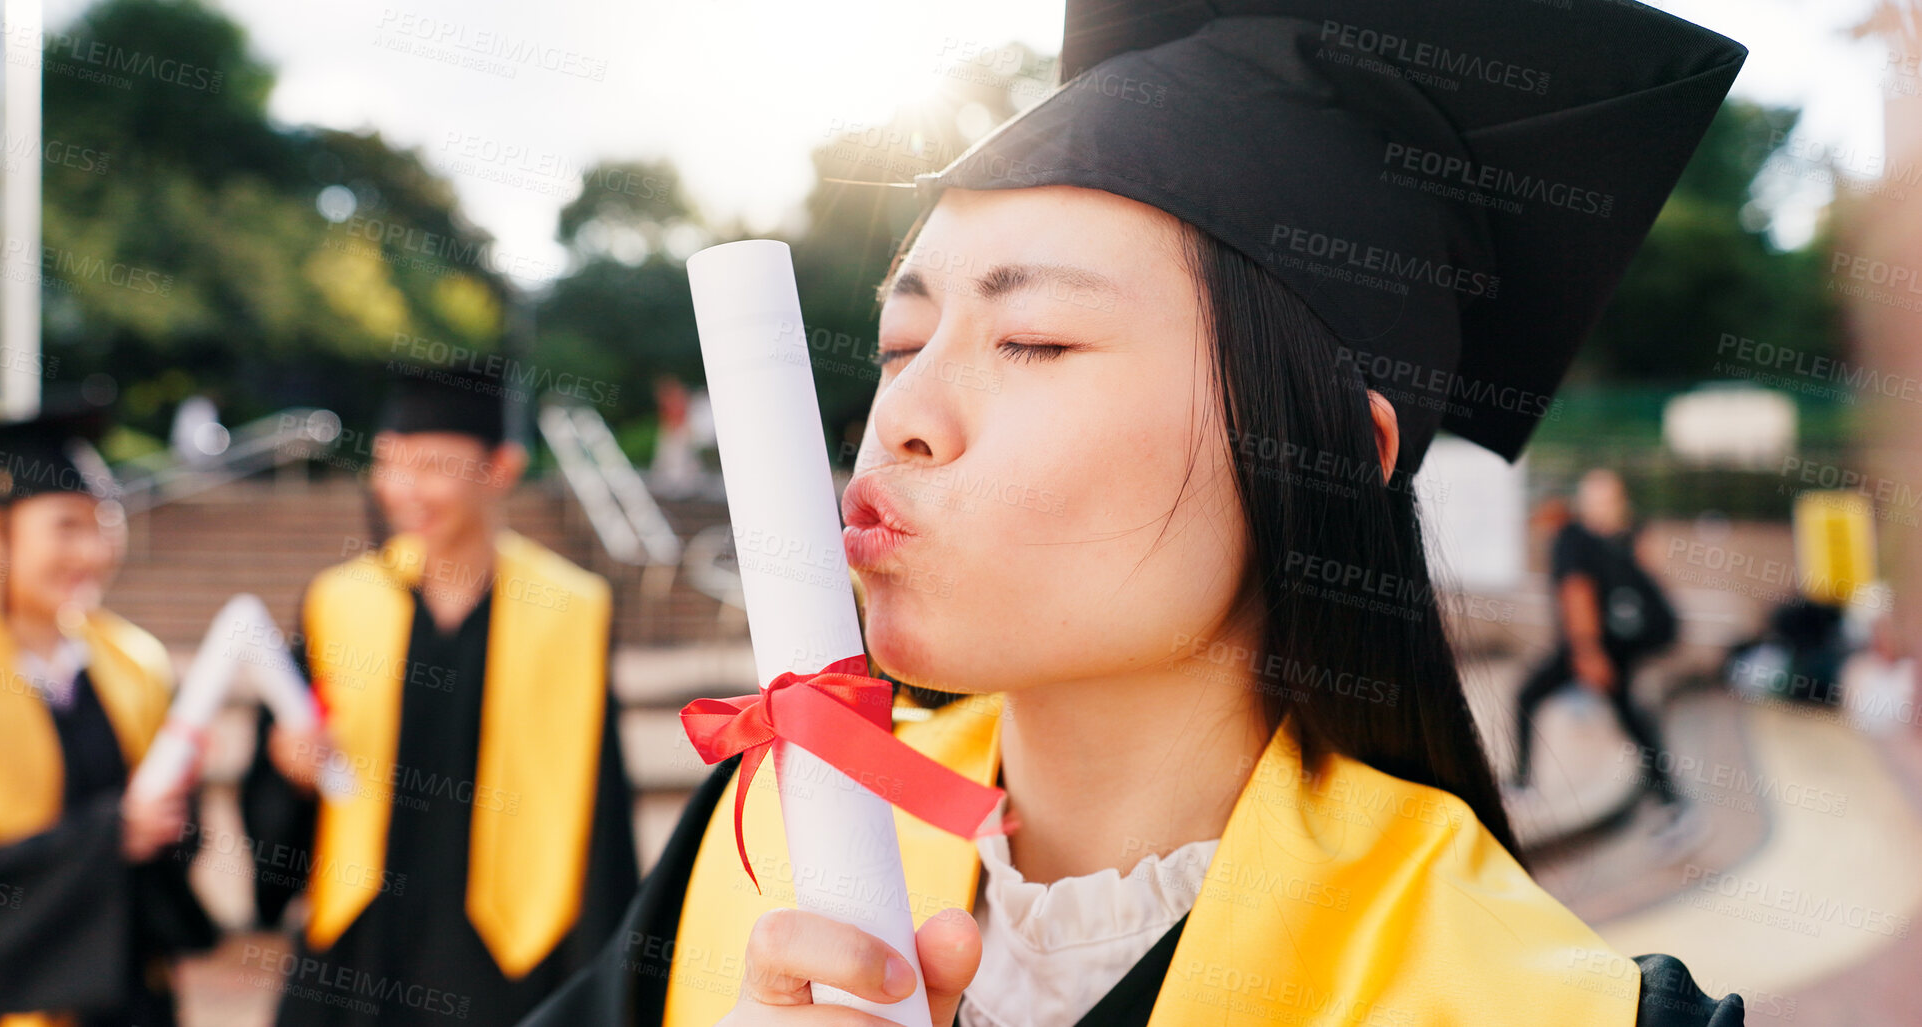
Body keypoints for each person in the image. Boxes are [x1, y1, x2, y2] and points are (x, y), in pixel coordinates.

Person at [524, 1, 1749, 1024]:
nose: (905, 413)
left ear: (1330, 453)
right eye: (903, 340)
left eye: (1035, 340)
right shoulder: (772, 851)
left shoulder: (1516, 999)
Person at [240, 364, 640, 1026]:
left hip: (510, 950)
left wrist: (599, 975)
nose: (403, 489)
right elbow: (282, 787)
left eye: (431, 466)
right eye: (390, 465)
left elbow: (602, 803)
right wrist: (291, 771)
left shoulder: (571, 609)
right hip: (361, 948)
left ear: (501, 468)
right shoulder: (338, 602)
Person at [0, 404, 217, 1026]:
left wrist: (177, 815)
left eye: (104, 524)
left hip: (130, 992)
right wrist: (112, 833)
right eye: (65, 527)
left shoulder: (133, 660)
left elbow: (174, 848)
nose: (93, 550)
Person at [1511, 469, 1683, 806]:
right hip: (1606, 647)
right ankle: (1672, 802)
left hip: (1599, 649)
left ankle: (1522, 784)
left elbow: (1580, 596)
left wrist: (1588, 653)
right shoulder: (1595, 540)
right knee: (1630, 719)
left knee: (1530, 698)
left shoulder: (1591, 541)